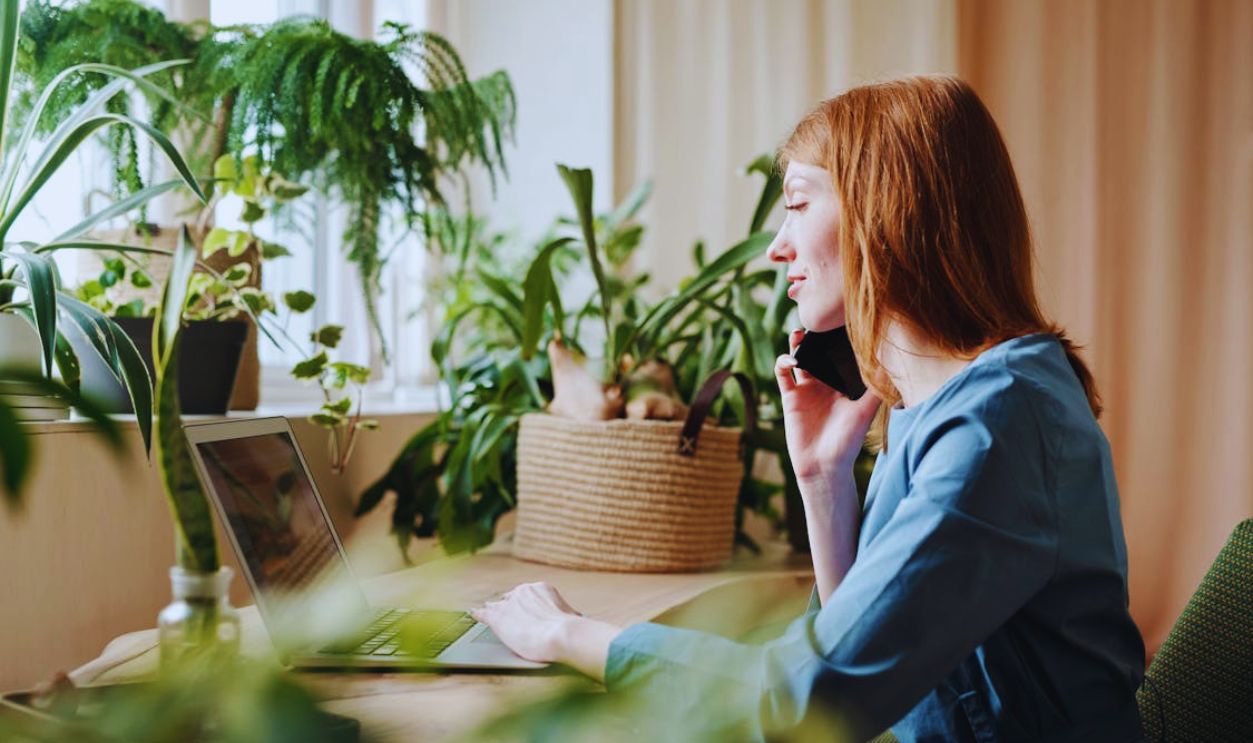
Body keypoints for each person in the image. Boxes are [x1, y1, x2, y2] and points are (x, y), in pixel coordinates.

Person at [471, 75, 1146, 742]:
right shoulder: (942, 403)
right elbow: (863, 658)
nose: (776, 246)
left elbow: (810, 698)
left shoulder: (993, 424)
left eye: (796, 203)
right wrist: (824, 482)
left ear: (885, 208)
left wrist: (568, 633)